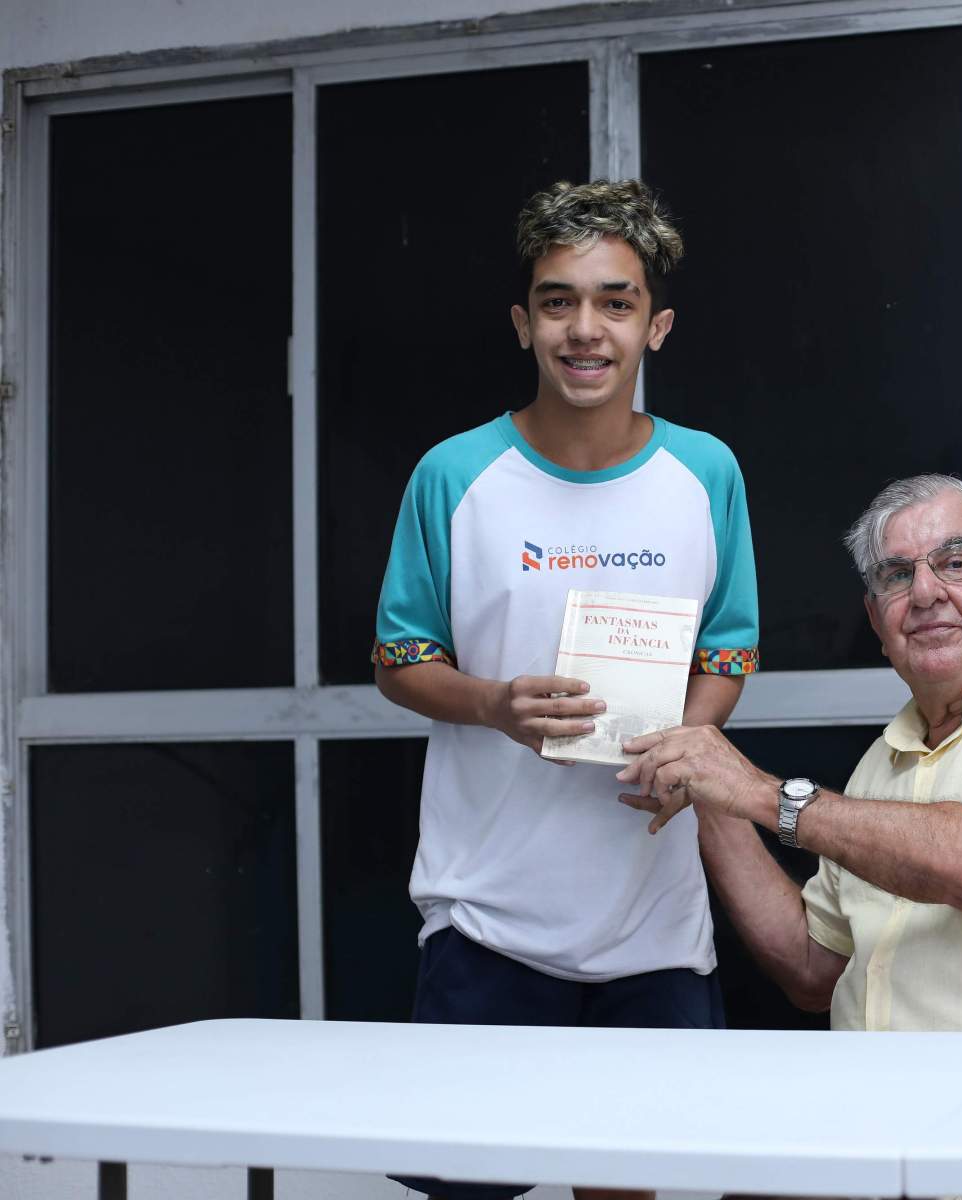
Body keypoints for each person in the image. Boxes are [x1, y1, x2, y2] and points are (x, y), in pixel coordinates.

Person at [372, 179, 758, 1200]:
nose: (585, 329)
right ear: (523, 322)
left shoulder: (706, 473)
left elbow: (727, 655)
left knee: (622, 1185)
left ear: (655, 327)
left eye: (615, 303)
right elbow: (398, 660)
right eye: (558, 302)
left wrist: (686, 747)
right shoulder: (453, 475)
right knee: (469, 1188)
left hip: (653, 924)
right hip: (487, 916)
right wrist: (492, 705)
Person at [619, 475, 962, 1033]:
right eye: (897, 575)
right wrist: (710, 789)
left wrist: (762, 794)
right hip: (880, 1086)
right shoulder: (880, 765)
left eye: (955, 563)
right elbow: (813, 970)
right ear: (876, 622)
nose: (926, 593)